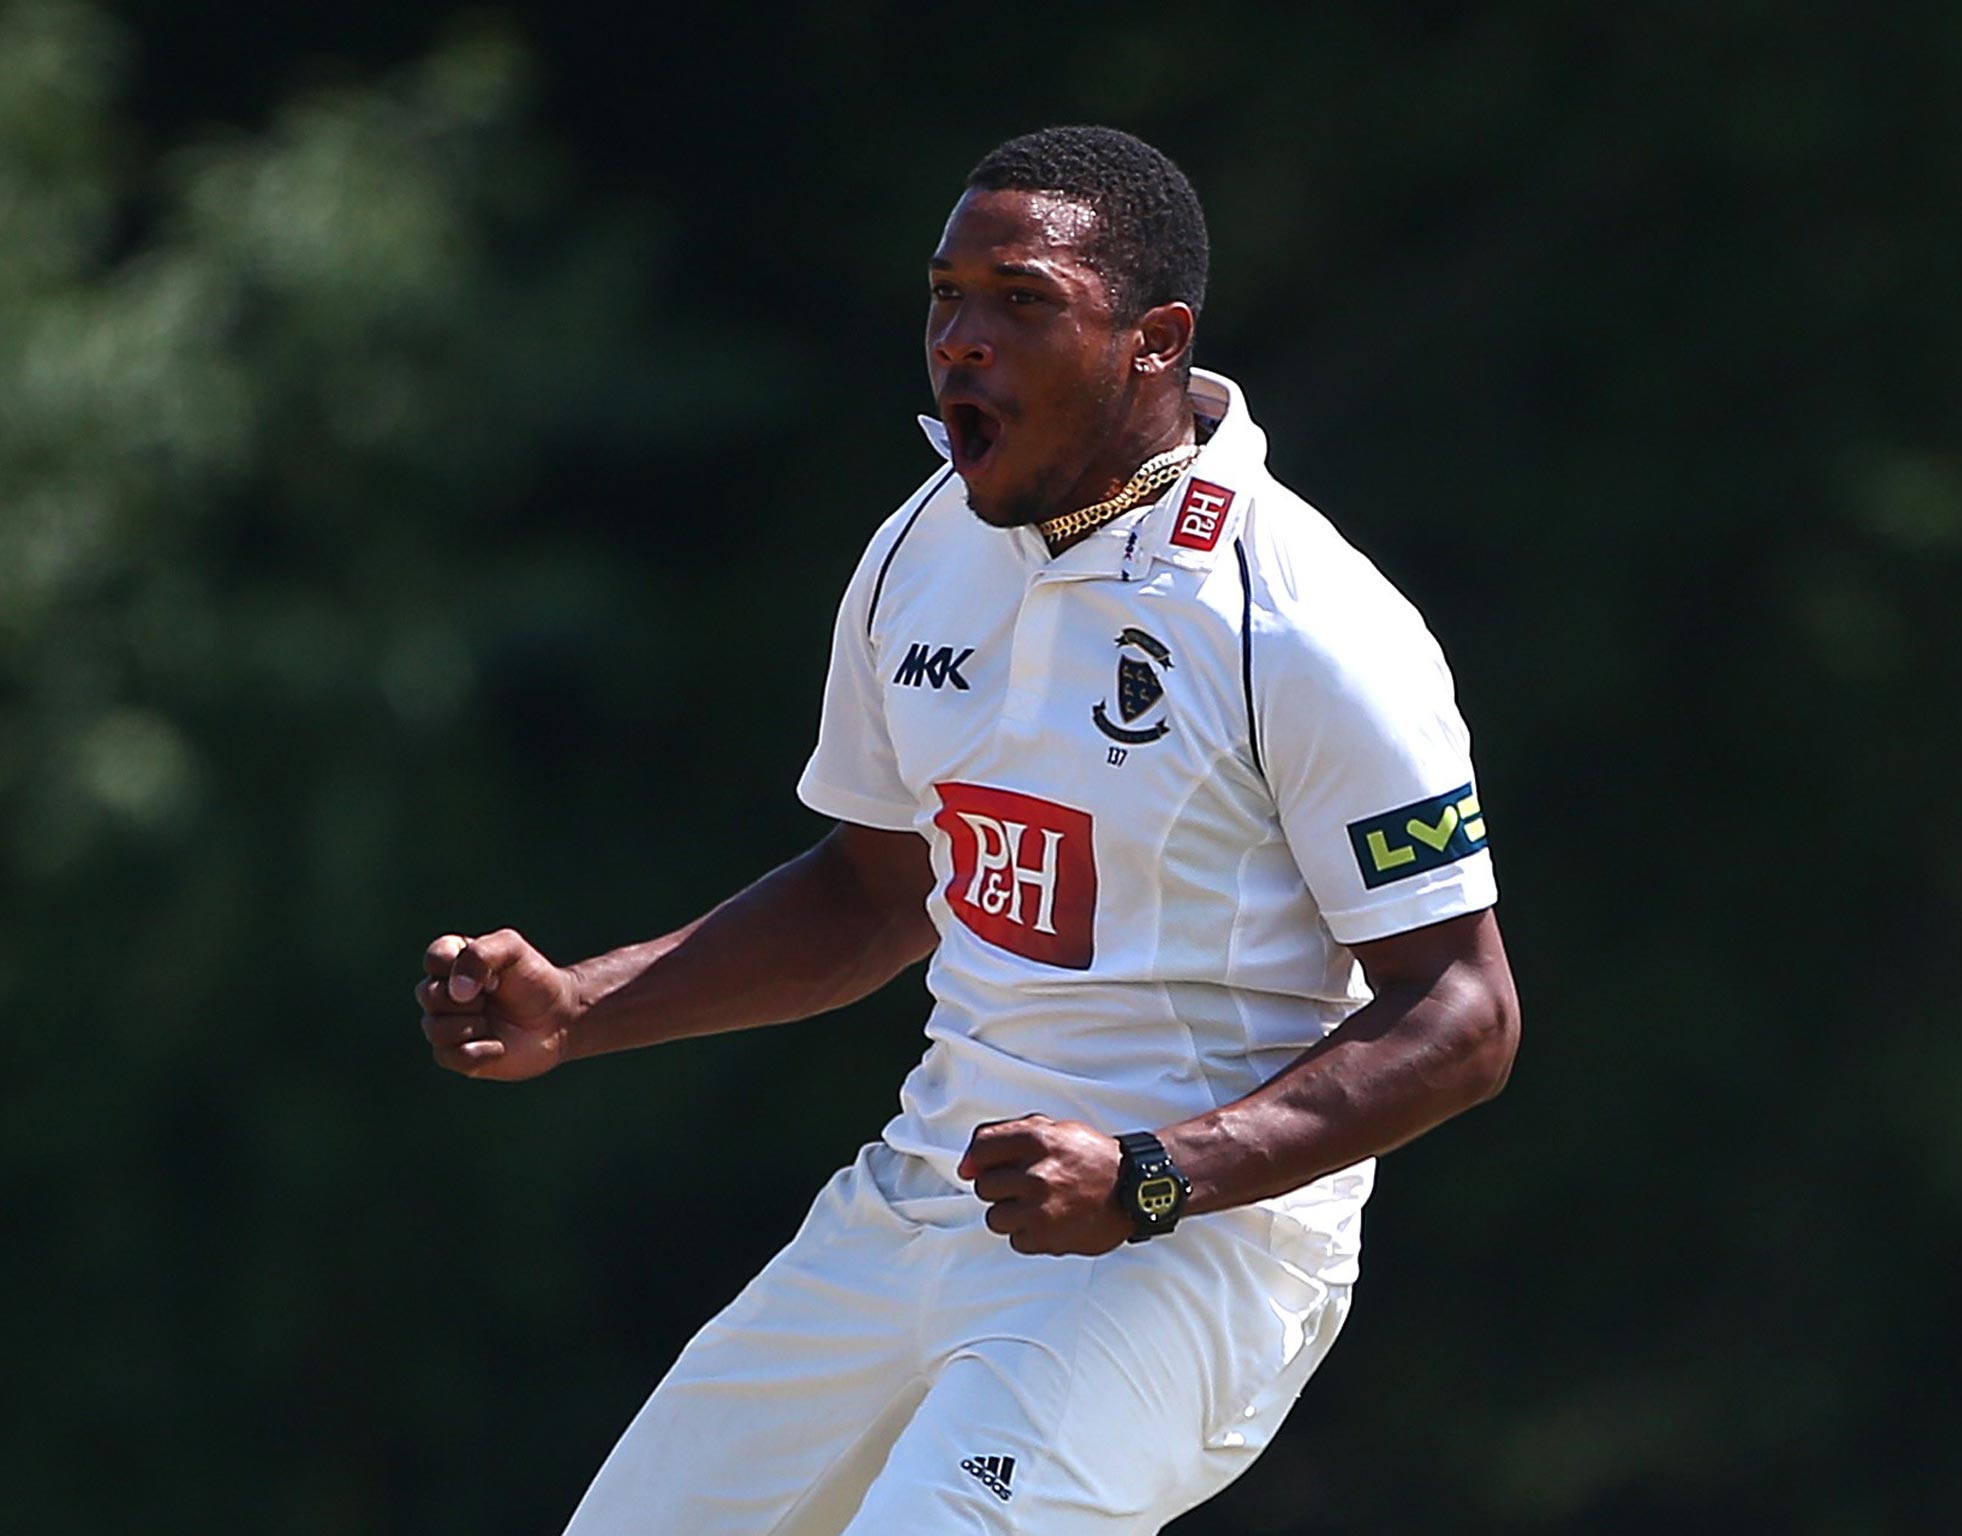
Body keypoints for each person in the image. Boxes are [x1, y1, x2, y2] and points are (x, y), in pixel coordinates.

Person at [416, 125, 1520, 1535]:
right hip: (923, 1201)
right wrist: (581, 1007)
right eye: (946, 296)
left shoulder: (1301, 622)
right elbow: (877, 892)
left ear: (1153, 340)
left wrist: (1153, 1178)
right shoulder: (919, 548)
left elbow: (1466, 1015)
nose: (961, 343)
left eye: (1021, 300)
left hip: (1191, 1254)